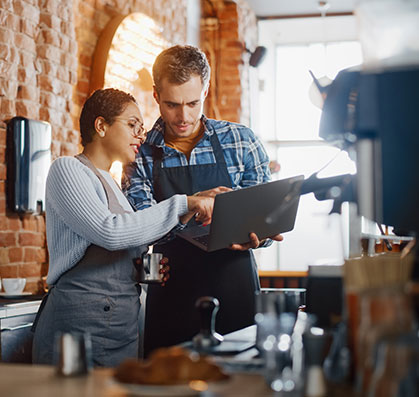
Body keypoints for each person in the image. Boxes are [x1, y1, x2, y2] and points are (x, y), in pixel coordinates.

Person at [31, 88, 215, 368]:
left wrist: (140, 269)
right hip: (78, 328)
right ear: (101, 126)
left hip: (120, 329)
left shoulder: (114, 186)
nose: (140, 135)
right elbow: (110, 232)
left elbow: (117, 246)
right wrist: (183, 204)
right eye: (132, 125)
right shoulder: (67, 169)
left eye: (141, 128)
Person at [123, 45, 283, 356]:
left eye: (193, 103)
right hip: (172, 292)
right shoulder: (138, 152)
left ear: (206, 90)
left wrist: (260, 236)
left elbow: (266, 216)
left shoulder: (241, 141)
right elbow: (139, 226)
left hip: (235, 285)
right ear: (155, 95)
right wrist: (191, 204)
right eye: (172, 104)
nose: (183, 116)